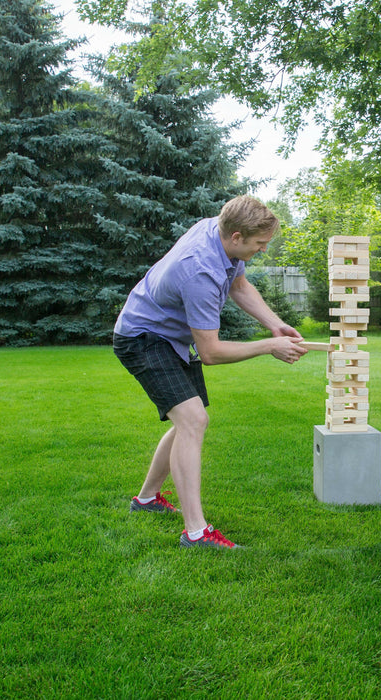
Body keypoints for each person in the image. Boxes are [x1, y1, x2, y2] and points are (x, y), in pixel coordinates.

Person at [113, 195, 308, 549]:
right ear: (236, 236)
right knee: (192, 420)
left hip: (166, 337)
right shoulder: (200, 270)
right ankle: (196, 532)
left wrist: (275, 325)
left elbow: (239, 285)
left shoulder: (217, 232)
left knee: (189, 419)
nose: (263, 250)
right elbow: (212, 352)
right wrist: (268, 346)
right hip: (142, 338)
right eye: (260, 244)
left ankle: (146, 499)